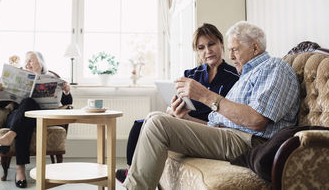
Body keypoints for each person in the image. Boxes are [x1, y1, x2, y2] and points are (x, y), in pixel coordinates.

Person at [122, 21, 300, 190]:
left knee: (157, 124)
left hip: (251, 142)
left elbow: (256, 120)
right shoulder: (246, 76)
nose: (230, 56)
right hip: (231, 135)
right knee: (153, 117)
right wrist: (186, 118)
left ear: (255, 47)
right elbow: (218, 125)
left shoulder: (275, 67)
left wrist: (206, 96)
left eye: (235, 50)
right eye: (230, 50)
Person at [116, 23, 240, 183]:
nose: (207, 51)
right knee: (140, 124)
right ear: (197, 51)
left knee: (153, 124)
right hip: (182, 121)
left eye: (211, 44)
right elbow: (172, 107)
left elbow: (225, 123)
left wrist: (186, 118)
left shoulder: (234, 77)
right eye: (201, 47)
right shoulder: (191, 75)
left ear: (221, 44)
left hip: (208, 128)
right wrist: (174, 112)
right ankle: (130, 172)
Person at [0, 51, 72, 188]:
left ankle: (15, 155)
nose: (27, 64)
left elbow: (67, 102)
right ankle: (18, 164)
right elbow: (1, 105)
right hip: (15, 117)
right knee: (26, 107)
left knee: (28, 109)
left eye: (31, 61)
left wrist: (67, 91)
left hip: (40, 119)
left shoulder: (51, 78)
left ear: (41, 63)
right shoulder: (18, 78)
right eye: (26, 61)